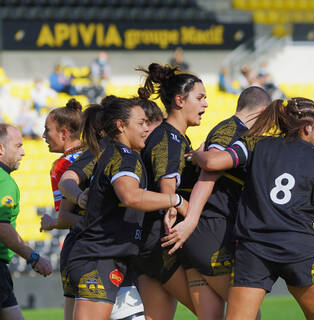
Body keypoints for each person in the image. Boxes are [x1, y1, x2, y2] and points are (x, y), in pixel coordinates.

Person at [185, 97, 314, 319]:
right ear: (307, 127)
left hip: (254, 249)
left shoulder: (256, 144)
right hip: (298, 248)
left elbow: (212, 163)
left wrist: (197, 154)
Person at [64, 97, 187, 320]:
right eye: (141, 123)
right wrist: (175, 200)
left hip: (114, 259)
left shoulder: (120, 154)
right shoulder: (124, 157)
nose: (146, 128)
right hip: (99, 258)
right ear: (121, 126)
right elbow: (130, 196)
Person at [161, 86, 271, 319]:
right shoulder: (232, 130)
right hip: (211, 233)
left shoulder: (233, 132)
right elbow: (207, 174)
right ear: (263, 111)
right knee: (248, 314)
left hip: (197, 239)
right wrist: (190, 220)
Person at [132, 63, 210, 319]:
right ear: (179, 100)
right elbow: (168, 186)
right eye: (199, 98)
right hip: (161, 242)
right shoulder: (169, 137)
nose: (205, 104)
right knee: (212, 313)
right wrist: (193, 214)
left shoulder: (176, 138)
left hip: (147, 243)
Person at [0, 123, 52, 320]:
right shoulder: (4, 181)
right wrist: (34, 257)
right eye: (18, 146)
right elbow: (2, 226)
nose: (23, 153)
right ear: (1, 148)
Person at [41, 98, 84, 320]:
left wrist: (52, 222)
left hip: (83, 247)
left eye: (47, 130)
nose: (43, 136)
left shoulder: (61, 166)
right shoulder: (97, 154)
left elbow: (67, 217)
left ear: (64, 133)